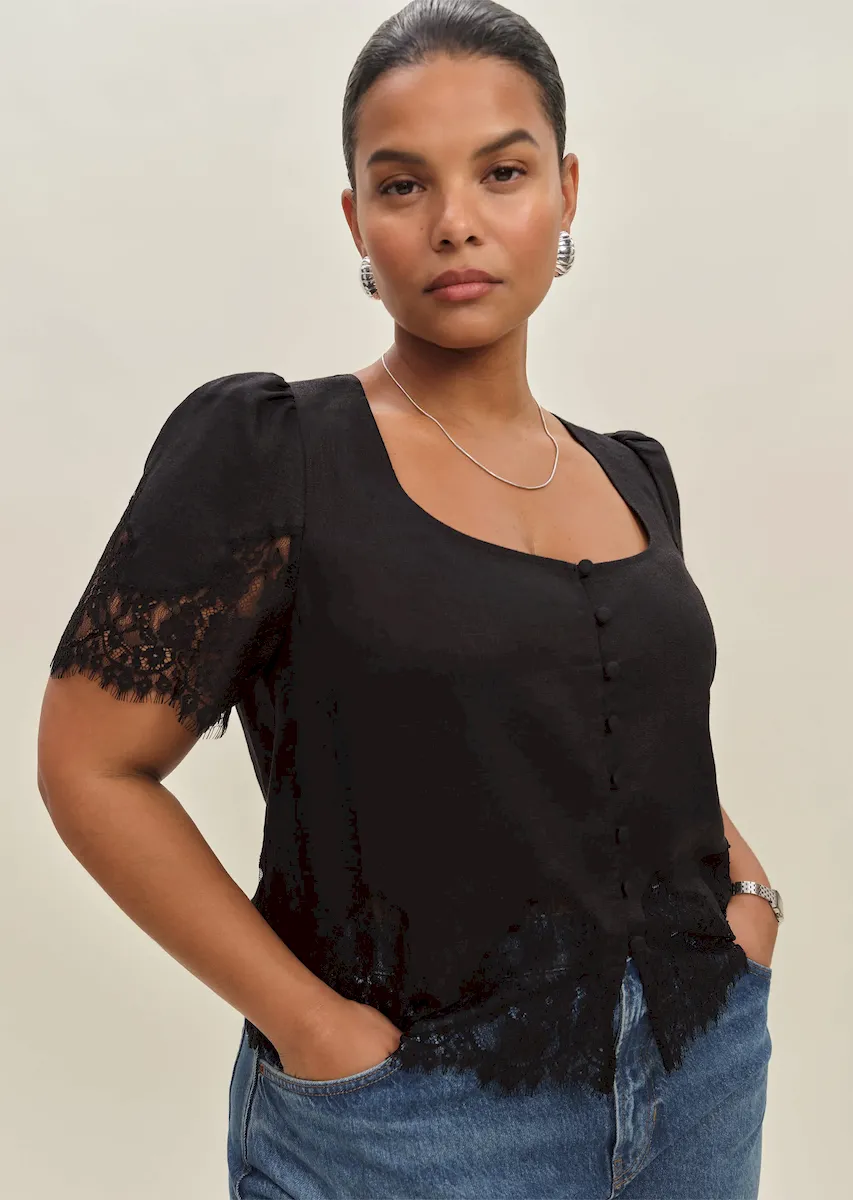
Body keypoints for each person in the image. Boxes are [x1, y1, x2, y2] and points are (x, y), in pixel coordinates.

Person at [37, 1, 783, 1197]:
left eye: (503, 172)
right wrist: (312, 1026)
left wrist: (747, 901)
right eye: (403, 185)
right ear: (356, 219)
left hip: (701, 1072)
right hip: (412, 1124)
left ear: (567, 192)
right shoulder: (274, 453)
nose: (455, 223)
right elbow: (90, 765)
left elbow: (627, 738)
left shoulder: (631, 473)